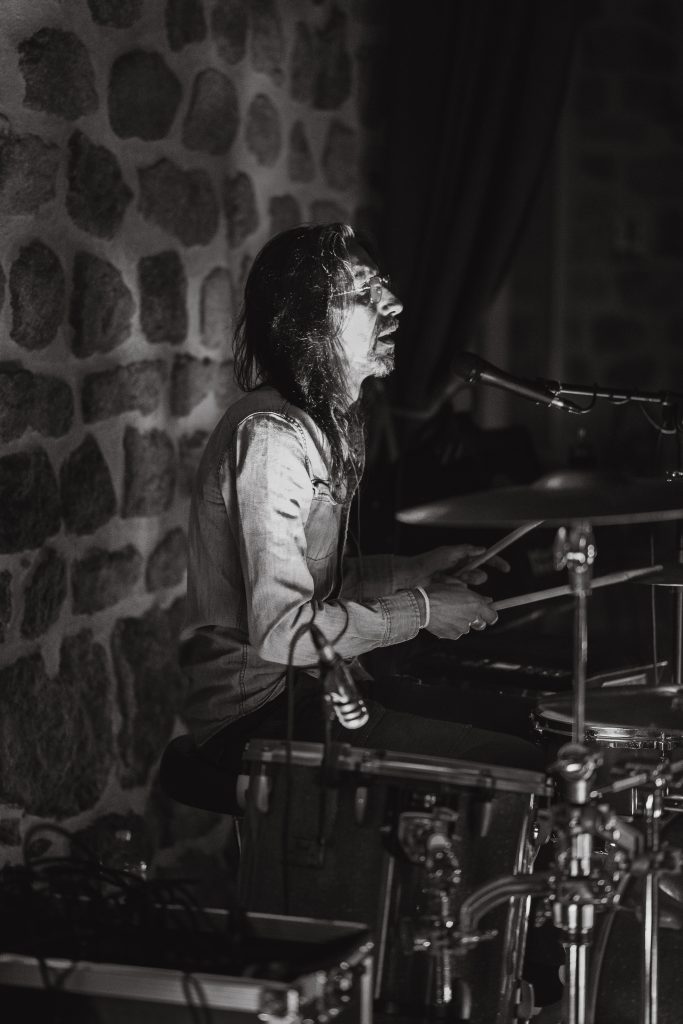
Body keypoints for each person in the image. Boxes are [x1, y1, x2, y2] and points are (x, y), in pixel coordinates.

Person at [179, 223, 542, 777]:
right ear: (306, 320)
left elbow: (313, 589)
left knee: (526, 726)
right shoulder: (271, 437)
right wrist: (421, 610)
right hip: (260, 713)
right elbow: (283, 631)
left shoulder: (324, 425)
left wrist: (412, 572)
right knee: (513, 763)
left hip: (318, 688)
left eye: (384, 285)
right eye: (366, 291)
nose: (393, 303)